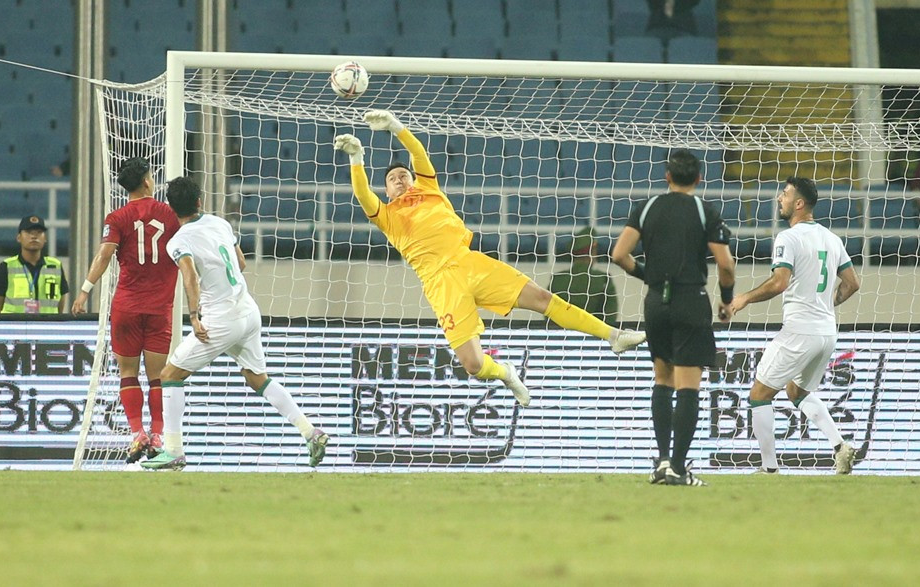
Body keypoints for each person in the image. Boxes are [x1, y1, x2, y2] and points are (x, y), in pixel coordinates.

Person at [333, 110, 646, 408]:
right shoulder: (387, 216)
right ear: (387, 191)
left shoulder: (429, 189)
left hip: (470, 263)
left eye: (404, 175)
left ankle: (614, 336)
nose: (400, 179)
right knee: (473, 365)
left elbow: (418, 153)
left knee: (541, 297)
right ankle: (505, 373)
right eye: (393, 179)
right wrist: (357, 158)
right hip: (441, 284)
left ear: (414, 179)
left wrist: (395, 126)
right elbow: (362, 194)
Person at [143, 176, 328, 470]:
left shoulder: (178, 241)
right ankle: (310, 432)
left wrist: (194, 316)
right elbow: (240, 263)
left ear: (171, 208)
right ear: (199, 201)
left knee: (170, 374)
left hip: (221, 319)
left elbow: (190, 276)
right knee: (257, 378)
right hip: (248, 311)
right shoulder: (220, 223)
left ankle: (174, 451)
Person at [612, 149, 735, 487]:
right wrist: (726, 300)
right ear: (698, 178)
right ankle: (678, 468)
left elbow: (619, 254)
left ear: (667, 176)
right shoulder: (704, 211)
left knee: (662, 379)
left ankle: (663, 461)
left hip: (655, 302)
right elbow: (725, 264)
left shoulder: (647, 206)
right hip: (690, 299)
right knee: (688, 386)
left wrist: (648, 275)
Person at [725, 177, 860, 475]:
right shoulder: (831, 238)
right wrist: (825, 304)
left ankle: (769, 468)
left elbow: (779, 282)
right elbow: (852, 283)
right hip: (826, 332)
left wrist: (744, 298)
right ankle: (841, 446)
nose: (779, 198)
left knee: (759, 394)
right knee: (796, 391)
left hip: (800, 331)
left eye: (785, 194)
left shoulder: (789, 238)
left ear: (799, 203)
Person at [71, 157, 181, 463]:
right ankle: (157, 436)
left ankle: (137, 434)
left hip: (127, 307)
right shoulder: (170, 215)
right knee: (158, 376)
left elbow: (104, 255)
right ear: (146, 181)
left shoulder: (117, 217)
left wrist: (85, 290)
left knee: (128, 372)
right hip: (159, 308)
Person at [0, 215, 69, 314]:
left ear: (45, 238)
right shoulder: (6, 267)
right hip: (15, 324)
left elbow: (59, 308)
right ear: (19, 237)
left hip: (47, 324)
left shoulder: (56, 267)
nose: (34, 236)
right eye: (28, 232)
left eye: (39, 232)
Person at [548, 226, 619, 326]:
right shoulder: (603, 279)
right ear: (592, 252)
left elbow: (548, 312)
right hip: (594, 332)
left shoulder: (557, 279)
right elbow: (610, 316)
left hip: (562, 332)